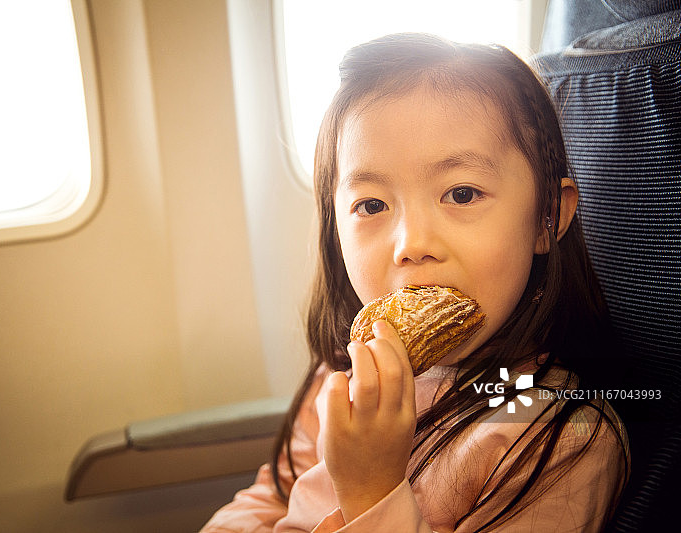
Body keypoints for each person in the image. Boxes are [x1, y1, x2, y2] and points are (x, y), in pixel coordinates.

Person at [201, 33, 629, 532]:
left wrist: (372, 489)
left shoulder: (561, 438)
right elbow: (272, 496)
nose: (411, 243)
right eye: (372, 205)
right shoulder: (343, 373)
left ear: (546, 218)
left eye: (462, 194)